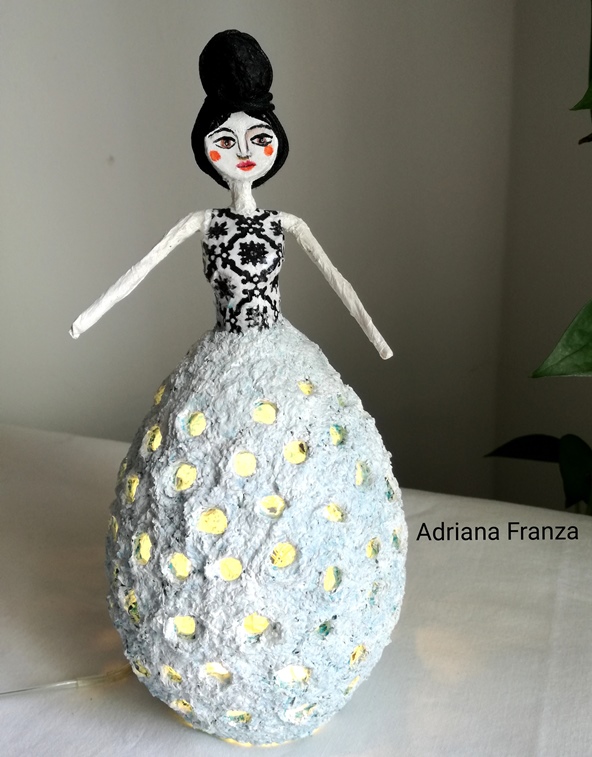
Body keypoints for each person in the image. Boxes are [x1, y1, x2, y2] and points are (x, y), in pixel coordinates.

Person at [72, 30, 406, 745]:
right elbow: (140, 270)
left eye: (258, 137)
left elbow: (339, 283)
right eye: (227, 139)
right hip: (222, 361)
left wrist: (375, 334)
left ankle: (298, 643)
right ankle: (213, 648)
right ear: (207, 148)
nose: (245, 152)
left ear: (277, 143)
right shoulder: (205, 222)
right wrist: (91, 313)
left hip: (282, 359)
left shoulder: (288, 223)